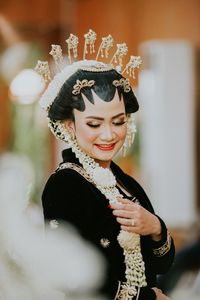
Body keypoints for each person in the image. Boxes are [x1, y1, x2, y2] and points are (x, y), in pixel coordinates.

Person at [36, 30, 175, 300]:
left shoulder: (125, 183)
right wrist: (149, 298)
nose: (109, 134)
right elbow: (71, 276)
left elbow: (162, 264)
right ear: (69, 126)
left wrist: (155, 228)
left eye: (118, 121)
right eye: (94, 124)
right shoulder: (65, 185)